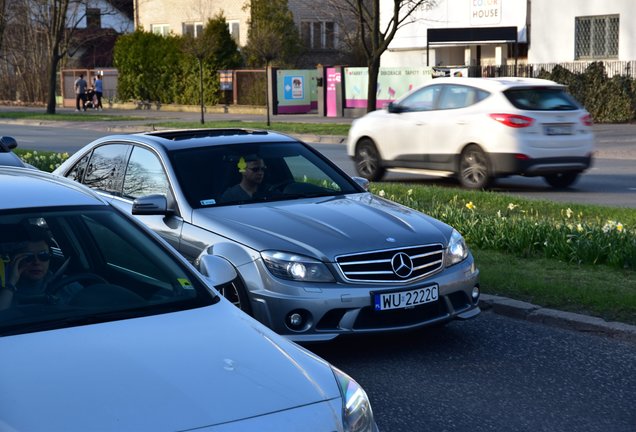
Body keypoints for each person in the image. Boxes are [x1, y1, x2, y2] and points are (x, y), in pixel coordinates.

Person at [0, 228, 79, 310]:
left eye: (43, 255)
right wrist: (10, 284)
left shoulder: (66, 285)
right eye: (28, 256)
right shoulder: (3, 289)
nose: (36, 262)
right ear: (14, 260)